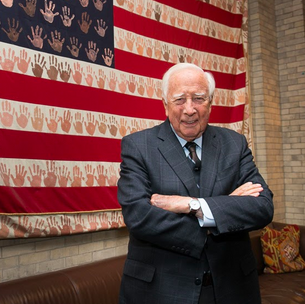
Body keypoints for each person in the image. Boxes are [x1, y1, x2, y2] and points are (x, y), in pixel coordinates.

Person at [117, 63, 274, 304]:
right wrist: (223, 212)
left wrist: (194, 206)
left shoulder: (234, 144)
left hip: (233, 288)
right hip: (161, 291)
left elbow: (262, 207)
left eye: (199, 98)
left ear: (210, 102)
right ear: (165, 103)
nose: (189, 109)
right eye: (179, 99)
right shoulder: (138, 146)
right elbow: (138, 216)